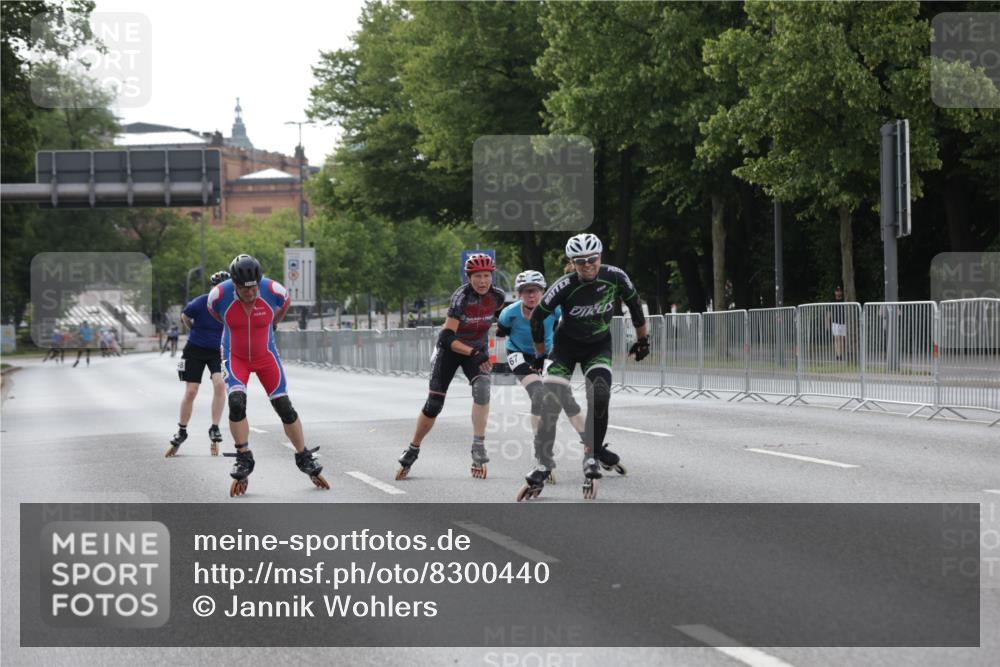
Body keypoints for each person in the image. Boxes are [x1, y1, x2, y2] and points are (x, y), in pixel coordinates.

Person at [521, 233, 649, 501]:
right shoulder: (565, 285)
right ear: (572, 263)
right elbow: (537, 318)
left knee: (600, 395)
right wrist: (539, 355)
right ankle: (543, 464)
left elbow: (635, 307)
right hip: (565, 348)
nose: (588, 265)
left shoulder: (615, 276)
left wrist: (643, 340)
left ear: (600, 257)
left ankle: (591, 455)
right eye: (580, 262)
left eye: (592, 259)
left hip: (597, 347)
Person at [208, 254, 328, 496]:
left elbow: (283, 306)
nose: (250, 294)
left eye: (253, 289)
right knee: (236, 403)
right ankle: (243, 456)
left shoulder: (274, 291)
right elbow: (216, 315)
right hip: (235, 356)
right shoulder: (218, 297)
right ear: (235, 284)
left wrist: (271, 323)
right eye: (244, 289)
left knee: (284, 406)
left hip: (266, 356)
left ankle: (303, 455)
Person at [395, 253, 506, 481]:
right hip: (452, 351)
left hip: (476, 352)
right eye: (478, 277)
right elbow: (446, 337)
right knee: (434, 404)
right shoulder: (461, 297)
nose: (483, 281)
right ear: (469, 277)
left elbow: (498, 324)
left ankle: (478, 446)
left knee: (483, 389)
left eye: (486, 276)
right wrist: (474, 351)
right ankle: (413, 448)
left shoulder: (498, 296)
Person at [496, 270, 587, 484]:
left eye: (535, 291)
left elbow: (562, 332)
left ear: (543, 292)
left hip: (546, 354)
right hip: (518, 353)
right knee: (538, 396)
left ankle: (591, 444)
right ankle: (542, 455)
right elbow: (501, 331)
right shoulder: (509, 313)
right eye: (526, 292)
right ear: (519, 294)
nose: (531, 296)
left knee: (567, 400)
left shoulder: (554, 310)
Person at [166, 270, 231, 458]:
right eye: (216, 288)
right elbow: (185, 316)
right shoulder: (202, 301)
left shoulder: (229, 305)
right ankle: (182, 430)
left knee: (220, 384)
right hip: (195, 348)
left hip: (218, 351)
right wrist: (193, 329)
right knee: (191, 390)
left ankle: (214, 427)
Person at [829, 285, 847, 361]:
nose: (838, 292)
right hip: (835, 323)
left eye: (839, 290)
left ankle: (841, 355)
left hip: (843, 322)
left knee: (842, 339)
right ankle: (837, 355)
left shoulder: (844, 301)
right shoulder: (832, 301)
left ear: (841, 292)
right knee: (836, 339)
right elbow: (829, 313)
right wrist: (827, 324)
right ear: (835, 292)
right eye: (837, 291)